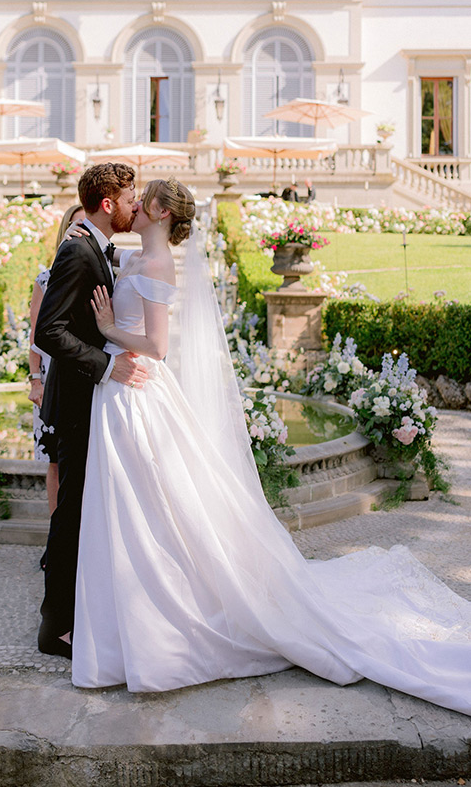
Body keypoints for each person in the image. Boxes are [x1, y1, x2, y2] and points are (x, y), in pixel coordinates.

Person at [70, 176, 471, 716]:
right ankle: (125, 626)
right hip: (120, 391)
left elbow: (158, 347)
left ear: (163, 213)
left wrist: (108, 330)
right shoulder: (135, 257)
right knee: (134, 507)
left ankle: (160, 628)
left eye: (145, 201)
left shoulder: (159, 264)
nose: (135, 205)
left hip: (139, 386)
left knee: (150, 504)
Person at [33, 162, 148, 660]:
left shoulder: (95, 245)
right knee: (70, 515)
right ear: (108, 203)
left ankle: (78, 611)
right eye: (129, 198)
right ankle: (55, 629)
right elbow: (49, 332)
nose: (134, 205)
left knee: (82, 512)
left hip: (89, 400)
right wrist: (106, 366)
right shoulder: (78, 250)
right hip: (77, 400)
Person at [29, 202, 85, 517]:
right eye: (75, 226)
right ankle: (56, 533)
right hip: (50, 377)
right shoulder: (45, 278)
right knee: (54, 459)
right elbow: (36, 333)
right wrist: (35, 380)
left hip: (82, 374)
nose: (80, 232)